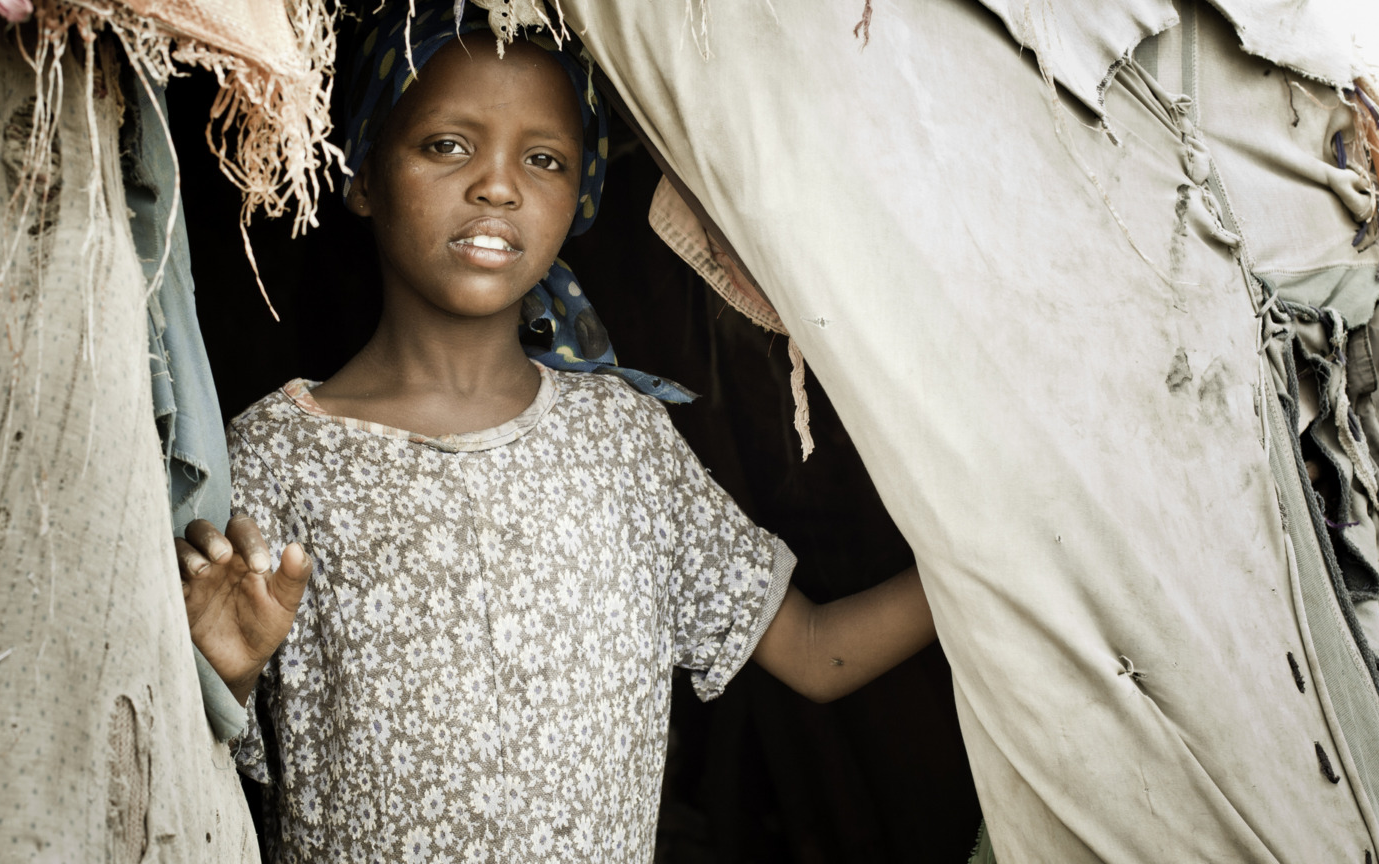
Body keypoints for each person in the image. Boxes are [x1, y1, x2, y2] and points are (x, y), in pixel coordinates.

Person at [175, 4, 936, 861]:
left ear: (580, 195)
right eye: (446, 146)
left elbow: (812, 652)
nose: (497, 186)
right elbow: (194, 741)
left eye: (542, 160)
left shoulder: (623, 443)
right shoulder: (279, 455)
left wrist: (1002, 569)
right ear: (361, 172)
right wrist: (224, 670)